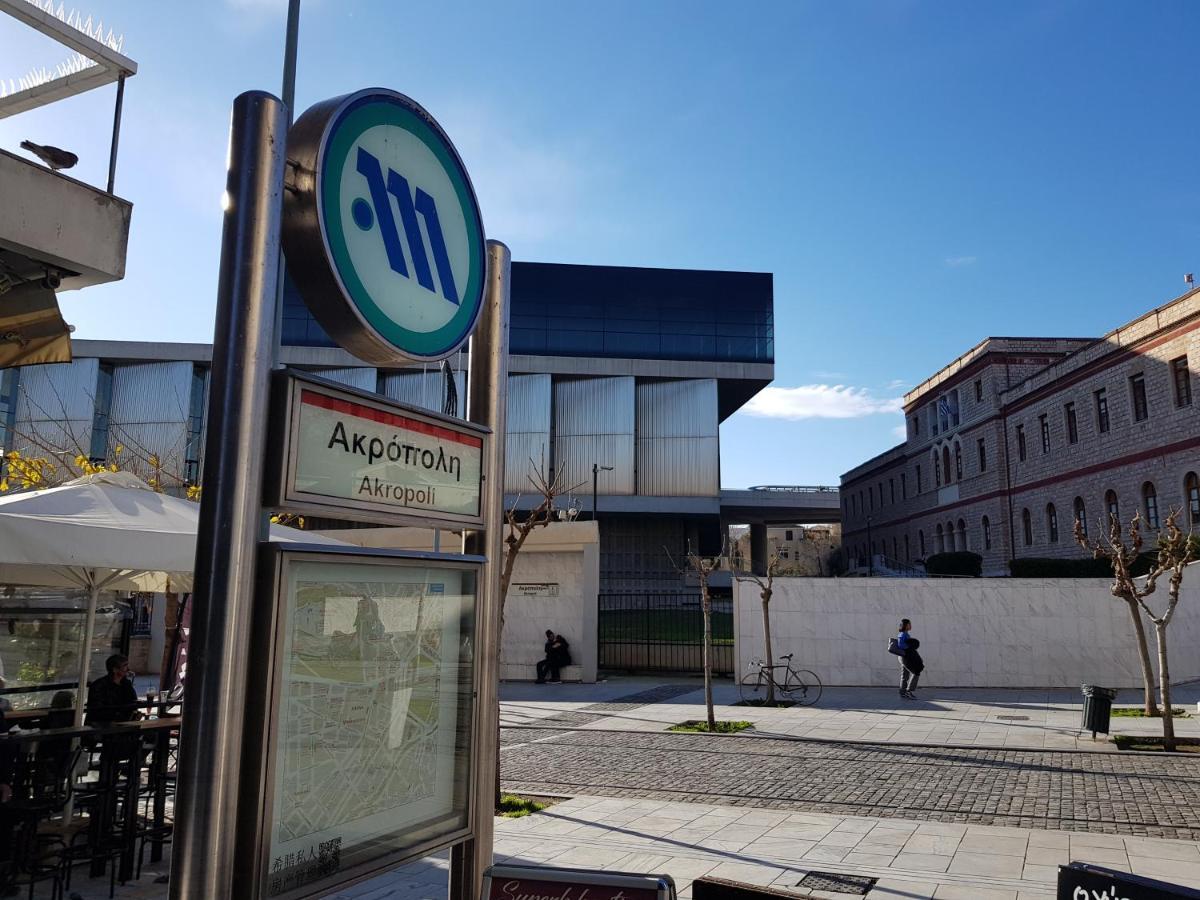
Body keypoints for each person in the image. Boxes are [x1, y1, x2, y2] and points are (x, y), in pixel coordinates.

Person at [86, 654, 140, 726]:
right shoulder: (98, 686)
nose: (128, 669)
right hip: (102, 726)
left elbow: (133, 701)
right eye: (125, 666)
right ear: (114, 669)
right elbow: (97, 711)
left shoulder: (126, 684)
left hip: (123, 723)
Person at [897, 618, 924, 700]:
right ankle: (909, 691)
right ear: (905, 625)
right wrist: (910, 646)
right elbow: (900, 645)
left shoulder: (905, 634)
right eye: (909, 624)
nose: (910, 625)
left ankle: (902, 692)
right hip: (905, 658)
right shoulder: (902, 634)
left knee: (905, 675)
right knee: (916, 672)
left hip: (904, 657)